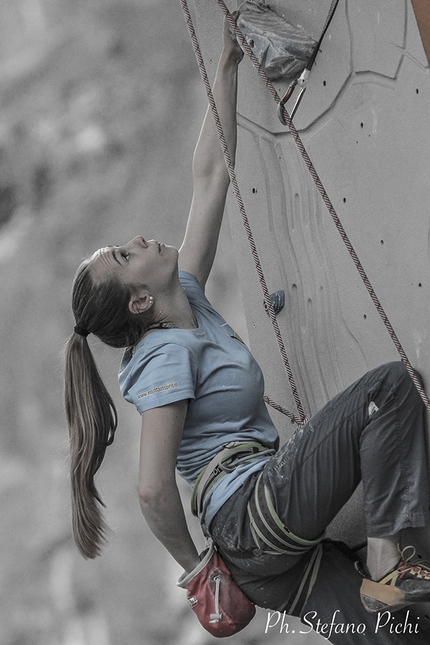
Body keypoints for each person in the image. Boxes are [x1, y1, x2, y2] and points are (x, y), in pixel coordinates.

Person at [64, 14, 430, 644]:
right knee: (390, 392)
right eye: (125, 257)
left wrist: (227, 66)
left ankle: (392, 592)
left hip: (268, 555)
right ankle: (389, 564)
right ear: (139, 302)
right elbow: (152, 489)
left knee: (400, 636)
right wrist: (199, 571)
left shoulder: (189, 301)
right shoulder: (165, 354)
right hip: (251, 520)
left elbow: (210, 181)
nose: (137, 241)